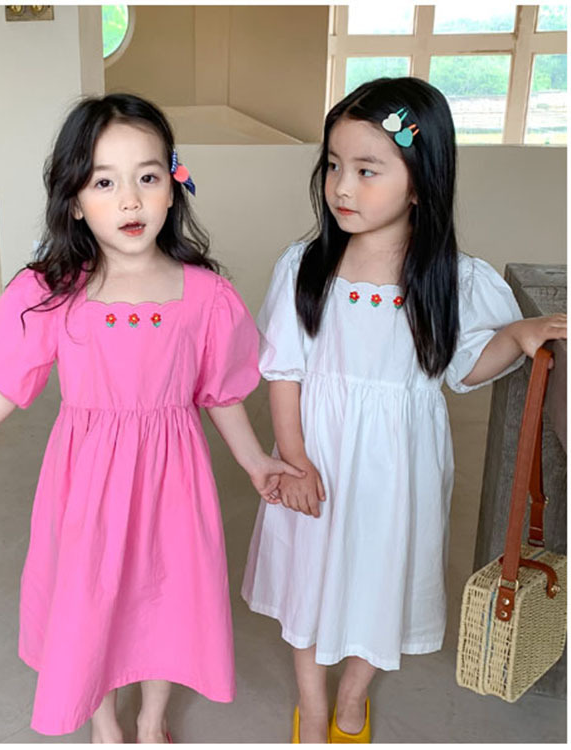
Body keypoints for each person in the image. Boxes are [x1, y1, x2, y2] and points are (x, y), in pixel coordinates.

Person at [0, 93, 303, 743]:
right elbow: (6, 382)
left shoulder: (206, 294)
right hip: (87, 482)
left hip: (173, 481)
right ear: (74, 200)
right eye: (104, 182)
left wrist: (256, 460)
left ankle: (151, 717)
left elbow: (220, 391)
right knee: (93, 602)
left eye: (147, 177)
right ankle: (104, 721)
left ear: (173, 186)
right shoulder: (51, 292)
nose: (130, 200)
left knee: (167, 597)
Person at [240, 77, 567, 743]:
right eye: (334, 165)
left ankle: (352, 696)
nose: (342, 187)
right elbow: (284, 373)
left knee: (381, 580)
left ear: (420, 183)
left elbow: (461, 368)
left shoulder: (452, 278)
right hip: (318, 454)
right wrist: (294, 460)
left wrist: (514, 336)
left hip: (399, 470)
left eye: (367, 170)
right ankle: (312, 702)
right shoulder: (304, 267)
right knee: (309, 577)